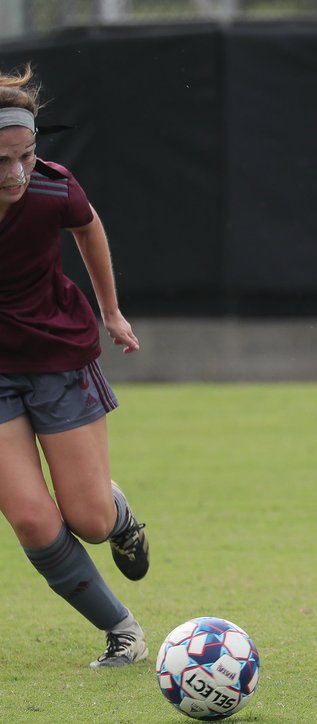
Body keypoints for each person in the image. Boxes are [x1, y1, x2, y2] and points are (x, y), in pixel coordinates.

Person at [0, 64, 150, 668]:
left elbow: (90, 231)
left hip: (58, 356)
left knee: (85, 517)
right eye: (0, 160)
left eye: (25, 156)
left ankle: (118, 515)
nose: (15, 172)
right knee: (33, 519)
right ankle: (123, 633)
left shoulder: (53, 188)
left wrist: (111, 312)